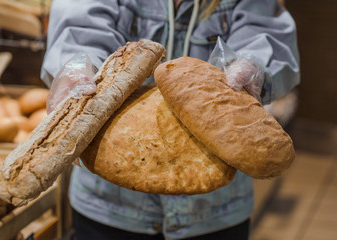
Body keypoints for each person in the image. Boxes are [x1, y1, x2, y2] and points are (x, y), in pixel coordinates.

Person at [41, 0, 300, 239]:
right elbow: (81, 25)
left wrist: (255, 65)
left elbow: (264, 29)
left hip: (213, 211)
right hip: (108, 204)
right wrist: (77, 65)